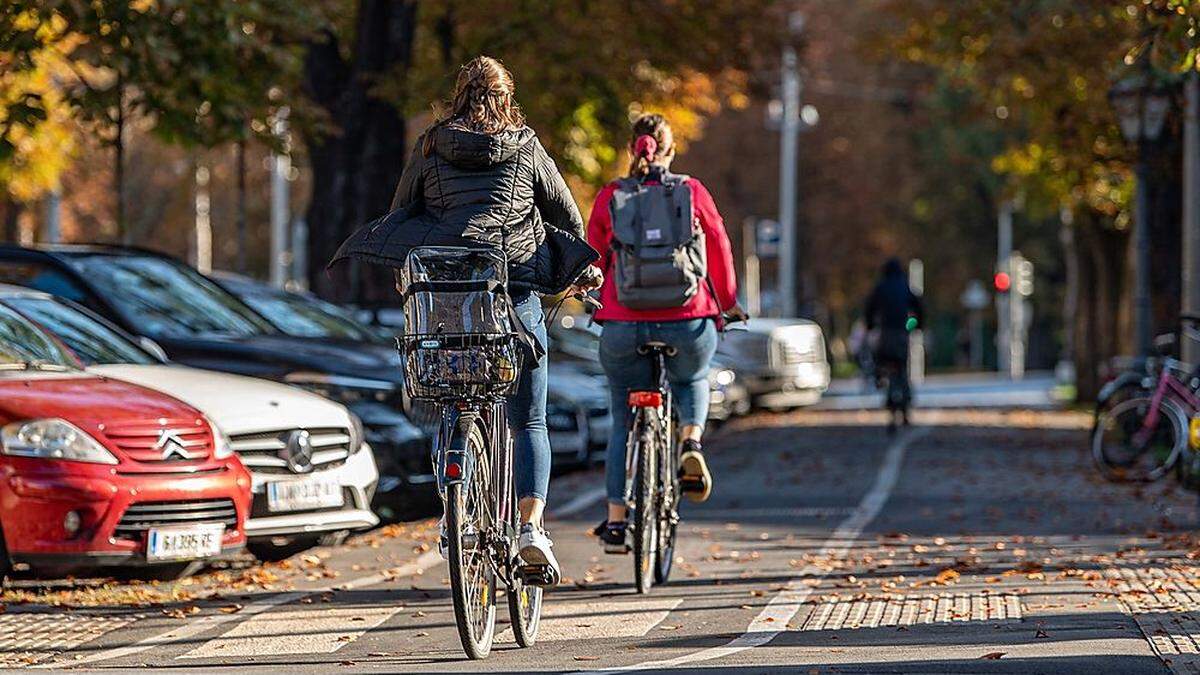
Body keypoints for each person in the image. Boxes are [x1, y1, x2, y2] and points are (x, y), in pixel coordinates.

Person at [338, 56, 601, 585]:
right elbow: (566, 216)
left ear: (459, 93)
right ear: (507, 96)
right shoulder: (525, 146)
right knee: (527, 418)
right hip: (515, 291)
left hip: (446, 297)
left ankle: (453, 514)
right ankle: (529, 529)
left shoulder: (432, 145)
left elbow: (403, 212)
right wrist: (576, 272)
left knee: (450, 398)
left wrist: (403, 272)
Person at [585, 113, 745, 551]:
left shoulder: (611, 195)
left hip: (622, 323)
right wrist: (727, 302)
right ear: (669, 150)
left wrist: (592, 297)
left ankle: (617, 520)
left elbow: (593, 257)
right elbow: (719, 244)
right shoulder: (691, 191)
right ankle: (690, 439)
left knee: (622, 420)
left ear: (632, 147)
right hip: (687, 317)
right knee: (692, 378)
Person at [864, 257, 924, 427]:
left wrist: (871, 325)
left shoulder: (881, 287)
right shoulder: (905, 286)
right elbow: (918, 306)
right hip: (901, 333)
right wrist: (918, 325)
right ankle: (906, 403)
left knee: (884, 363)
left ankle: (882, 383)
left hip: (886, 333)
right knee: (903, 368)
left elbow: (869, 308)